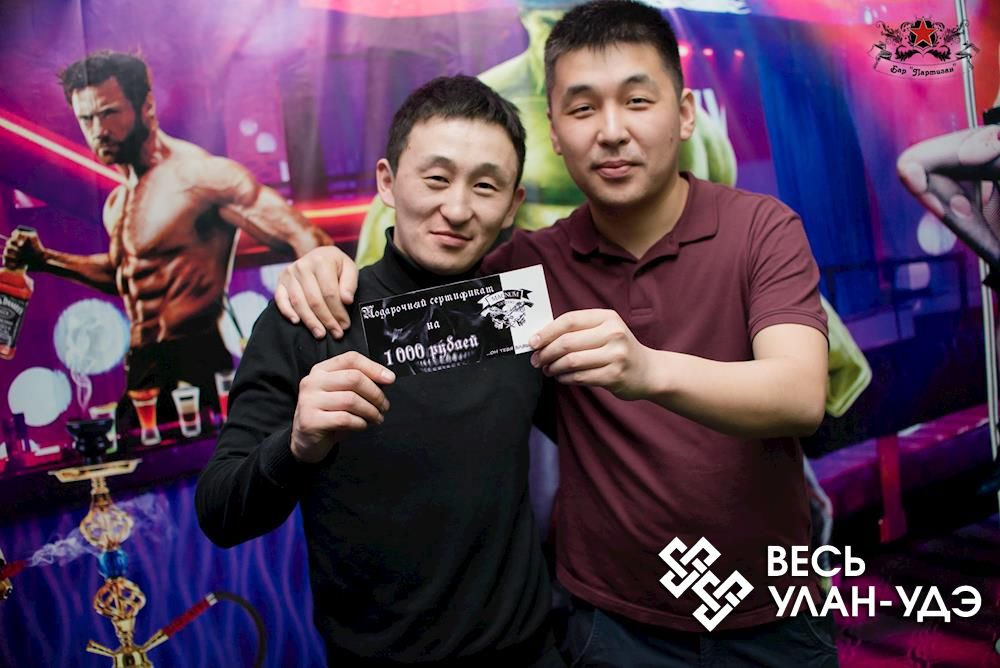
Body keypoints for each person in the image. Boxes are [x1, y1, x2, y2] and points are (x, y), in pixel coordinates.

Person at [274, 2, 836, 665]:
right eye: (582, 108)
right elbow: (404, 312)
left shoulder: (760, 229)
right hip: (615, 624)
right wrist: (326, 267)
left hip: (775, 611)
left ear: (685, 114)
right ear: (555, 132)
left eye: (637, 101)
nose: (612, 132)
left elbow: (800, 395)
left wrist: (647, 370)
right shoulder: (525, 275)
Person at [195, 75, 563, 667]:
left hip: (529, 652)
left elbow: (603, 441)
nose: (457, 209)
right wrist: (297, 444)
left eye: (485, 186)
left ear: (512, 206)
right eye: (436, 179)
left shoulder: (518, 312)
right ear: (388, 182)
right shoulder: (313, 313)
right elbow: (220, 513)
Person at [2, 51, 331, 426]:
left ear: (146, 106)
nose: (98, 130)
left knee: (215, 460)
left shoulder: (200, 176)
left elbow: (307, 237)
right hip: (143, 366)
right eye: (86, 118)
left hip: (197, 358)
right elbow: (122, 275)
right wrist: (45, 259)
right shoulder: (118, 202)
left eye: (109, 113)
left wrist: (316, 339)